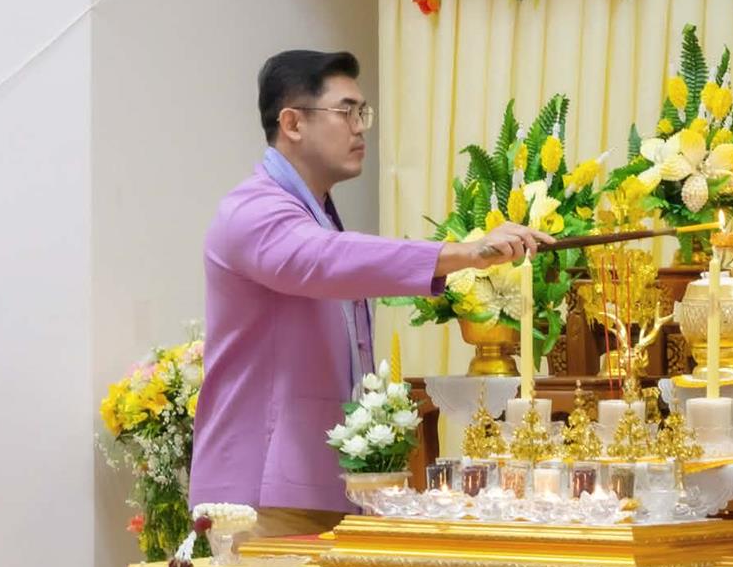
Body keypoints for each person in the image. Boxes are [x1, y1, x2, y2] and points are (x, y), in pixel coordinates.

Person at [188, 50, 551, 537]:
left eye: (363, 112)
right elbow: (325, 259)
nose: (360, 128)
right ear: (292, 123)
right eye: (346, 112)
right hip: (262, 492)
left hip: (315, 483)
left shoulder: (313, 212)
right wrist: (464, 254)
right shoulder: (253, 210)